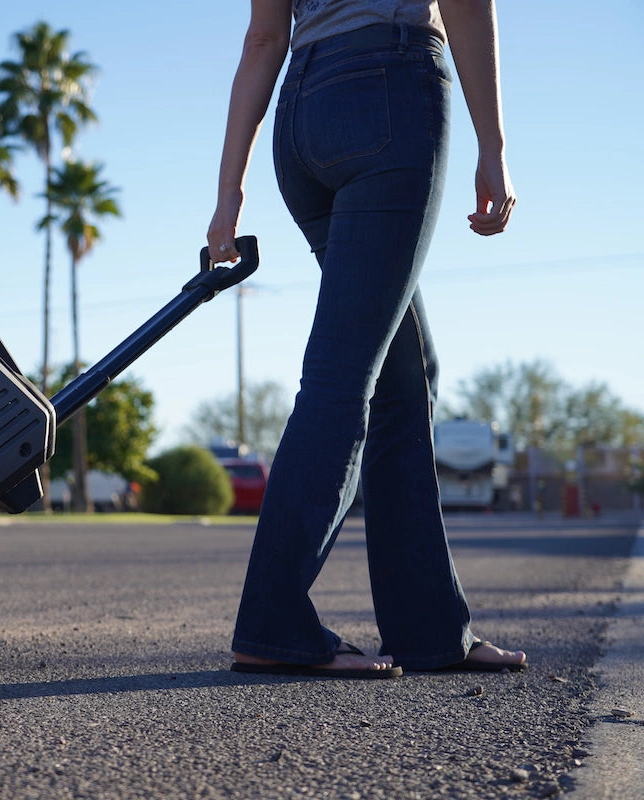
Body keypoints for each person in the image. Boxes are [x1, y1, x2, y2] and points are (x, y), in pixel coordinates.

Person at [207, 0, 527, 678]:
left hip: (300, 114)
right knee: (344, 370)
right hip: (391, 90)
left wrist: (228, 194)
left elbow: (265, 35)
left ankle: (431, 631)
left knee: (405, 372)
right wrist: (492, 147)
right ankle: (273, 620)